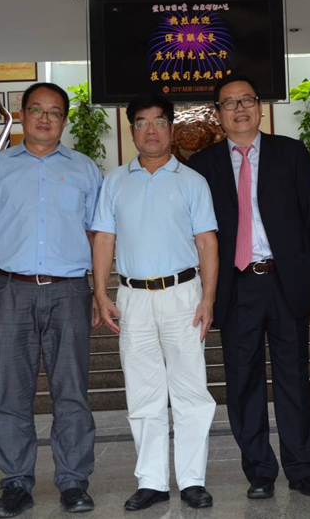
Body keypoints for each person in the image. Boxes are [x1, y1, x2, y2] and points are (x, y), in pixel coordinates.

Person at [0, 82, 102, 517]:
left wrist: (99, 291)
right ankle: (16, 484)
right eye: (37, 109)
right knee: (9, 393)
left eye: (54, 112)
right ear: (21, 114)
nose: (45, 118)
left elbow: (99, 236)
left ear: (64, 120)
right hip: (11, 291)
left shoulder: (85, 170)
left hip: (69, 291)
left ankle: (73, 482)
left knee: (71, 392)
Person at [188, 76, 310, 499]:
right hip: (236, 286)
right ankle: (260, 472)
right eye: (229, 103)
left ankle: (303, 470)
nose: (239, 109)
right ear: (218, 113)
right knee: (243, 380)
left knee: (293, 378)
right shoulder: (203, 165)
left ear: (260, 107)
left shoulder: (291, 153)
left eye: (246, 100)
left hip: (284, 282)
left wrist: (304, 267)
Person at [91, 94, 218, 511]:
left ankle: (193, 480)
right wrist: (100, 292)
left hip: (183, 295)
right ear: (131, 131)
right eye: (142, 122)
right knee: (143, 392)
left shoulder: (192, 181)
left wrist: (208, 299)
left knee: (190, 391)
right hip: (133, 298)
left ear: (170, 128)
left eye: (159, 121)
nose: (150, 130)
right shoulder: (115, 181)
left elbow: (207, 243)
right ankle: (152, 481)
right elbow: (104, 239)